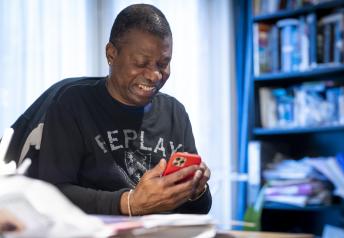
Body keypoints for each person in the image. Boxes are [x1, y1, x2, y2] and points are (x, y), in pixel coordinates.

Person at [9, 3, 211, 216]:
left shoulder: (174, 113)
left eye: (163, 64)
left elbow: (198, 209)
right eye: (141, 63)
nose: (154, 75)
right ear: (111, 54)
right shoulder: (72, 103)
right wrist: (129, 203)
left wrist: (197, 190)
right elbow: (51, 194)